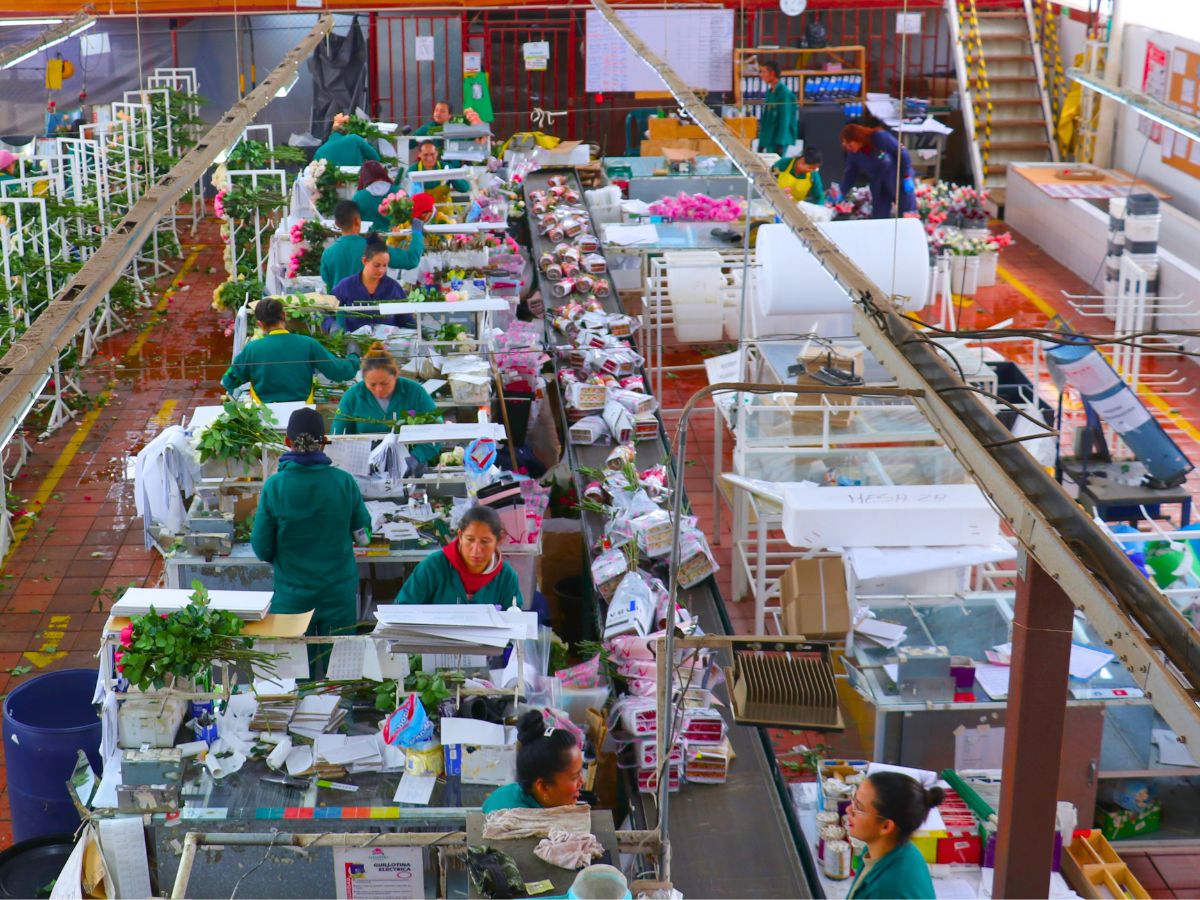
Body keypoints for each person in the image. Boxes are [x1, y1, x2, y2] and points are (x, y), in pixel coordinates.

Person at [251, 408, 371, 666]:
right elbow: (364, 537)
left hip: (293, 597)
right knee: (338, 673)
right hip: (338, 595)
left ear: (287, 442)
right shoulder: (344, 482)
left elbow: (261, 548)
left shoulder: (275, 486)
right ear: (324, 441)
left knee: (293, 677)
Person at [221, 298, 360, 403]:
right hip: (302, 416)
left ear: (260, 324)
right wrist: (354, 356)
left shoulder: (252, 348)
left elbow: (229, 381)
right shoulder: (307, 344)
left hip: (265, 419)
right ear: (284, 315)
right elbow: (340, 371)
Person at [394, 505, 522, 606]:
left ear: (498, 541)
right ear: (460, 536)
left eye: (485, 541)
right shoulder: (432, 567)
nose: (476, 550)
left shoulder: (506, 576)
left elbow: (513, 623)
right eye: (470, 539)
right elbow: (402, 609)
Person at [845, 771, 943, 899]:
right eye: (853, 800)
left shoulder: (887, 891)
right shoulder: (900, 850)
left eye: (858, 807)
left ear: (886, 826)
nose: (848, 809)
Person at [481, 709, 584, 813]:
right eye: (574, 777)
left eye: (580, 772)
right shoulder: (520, 821)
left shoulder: (510, 792)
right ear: (543, 787)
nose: (582, 782)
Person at [320, 198, 429, 292]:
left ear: (336, 224)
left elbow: (329, 287)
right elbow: (411, 260)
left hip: (341, 313)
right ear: (357, 221)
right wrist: (417, 233)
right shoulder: (374, 247)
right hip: (373, 312)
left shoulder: (327, 254)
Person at [836, 123, 917, 219]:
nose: (848, 148)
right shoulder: (854, 154)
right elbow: (850, 174)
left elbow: (902, 151)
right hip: (878, 184)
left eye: (850, 144)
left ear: (858, 138)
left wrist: (907, 175)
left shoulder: (880, 137)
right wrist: (841, 192)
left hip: (898, 179)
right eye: (846, 145)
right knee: (880, 216)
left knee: (907, 213)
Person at [331, 234, 411, 330]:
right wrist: (332, 327)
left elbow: (406, 319)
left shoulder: (393, 287)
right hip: (355, 343)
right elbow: (326, 310)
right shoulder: (346, 286)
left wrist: (421, 329)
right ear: (364, 260)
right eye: (376, 265)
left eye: (385, 265)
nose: (381, 270)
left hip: (388, 342)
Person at [756, 61, 797, 157]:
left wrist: (781, 143)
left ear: (772, 73)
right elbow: (766, 118)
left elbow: (785, 119)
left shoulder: (784, 93)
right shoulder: (770, 92)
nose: (761, 75)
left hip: (779, 139)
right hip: (770, 137)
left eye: (763, 72)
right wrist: (761, 142)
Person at [402, 141, 470, 195]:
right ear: (419, 154)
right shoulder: (413, 169)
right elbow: (404, 192)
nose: (429, 158)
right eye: (425, 155)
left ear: (437, 153)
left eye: (432, 154)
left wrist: (453, 176)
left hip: (444, 211)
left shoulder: (446, 167)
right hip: (423, 212)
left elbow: (465, 188)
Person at [313, 113, 382, 167]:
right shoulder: (355, 139)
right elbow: (375, 158)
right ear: (348, 130)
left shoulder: (319, 152)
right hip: (358, 183)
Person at [351, 161, 399, 232]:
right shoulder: (398, 191)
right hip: (397, 238)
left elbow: (353, 222)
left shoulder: (359, 196)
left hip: (368, 240)